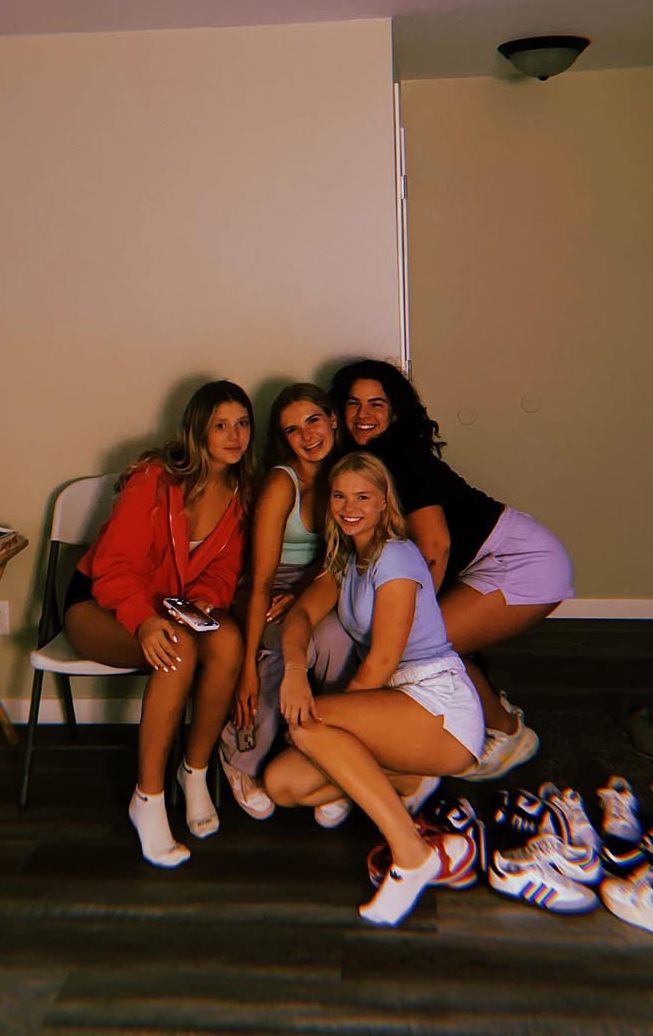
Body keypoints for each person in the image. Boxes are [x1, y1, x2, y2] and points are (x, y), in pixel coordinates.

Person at [263, 451, 484, 926]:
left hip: (439, 706)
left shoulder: (396, 556)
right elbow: (300, 616)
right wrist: (296, 672)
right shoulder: (345, 559)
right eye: (340, 496)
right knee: (282, 785)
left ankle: (412, 855)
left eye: (363, 497)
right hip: (395, 708)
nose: (349, 507)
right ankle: (412, 781)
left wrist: (319, 722)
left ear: (384, 502)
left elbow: (382, 661)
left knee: (307, 727)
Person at [329, 359, 574, 780]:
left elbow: (435, 545)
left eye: (376, 404)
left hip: (523, 560)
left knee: (426, 644)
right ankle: (475, 715)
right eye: (353, 403)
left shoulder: (401, 458)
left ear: (395, 412)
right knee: (426, 642)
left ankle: (509, 733)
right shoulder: (364, 460)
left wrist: (409, 622)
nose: (363, 414)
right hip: (487, 560)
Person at [63, 380, 253, 868]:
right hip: (100, 605)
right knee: (180, 649)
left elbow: (223, 571)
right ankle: (146, 798)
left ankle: (194, 771)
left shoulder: (238, 495)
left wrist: (207, 600)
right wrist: (143, 621)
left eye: (242, 424)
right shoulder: (154, 478)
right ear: (198, 431)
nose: (234, 436)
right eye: (221, 425)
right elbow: (113, 567)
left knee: (229, 641)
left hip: (170, 608)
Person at [218, 383, 356, 820]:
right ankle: (240, 753)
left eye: (313, 420)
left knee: (337, 640)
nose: (308, 435)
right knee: (281, 644)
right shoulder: (283, 482)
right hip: (268, 586)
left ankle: (331, 760)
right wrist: (245, 670)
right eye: (293, 430)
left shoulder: (350, 474)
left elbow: (343, 557)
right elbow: (260, 581)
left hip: (323, 583)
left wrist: (303, 594)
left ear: (333, 419)